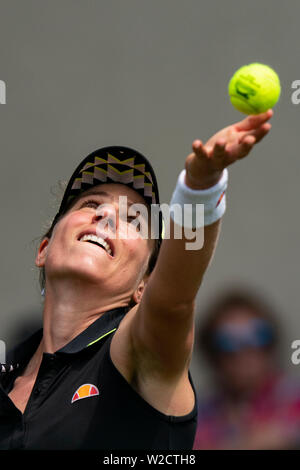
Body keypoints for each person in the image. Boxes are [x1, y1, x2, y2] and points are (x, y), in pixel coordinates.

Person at [0, 110, 273, 450]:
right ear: (44, 248)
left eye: (133, 219)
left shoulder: (137, 351)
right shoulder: (7, 370)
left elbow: (173, 302)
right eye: (90, 203)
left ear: (144, 286)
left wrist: (201, 186)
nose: (105, 215)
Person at [193, 288, 300, 450]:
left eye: (259, 334)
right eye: (228, 341)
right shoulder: (196, 414)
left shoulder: (293, 396)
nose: (245, 350)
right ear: (211, 353)